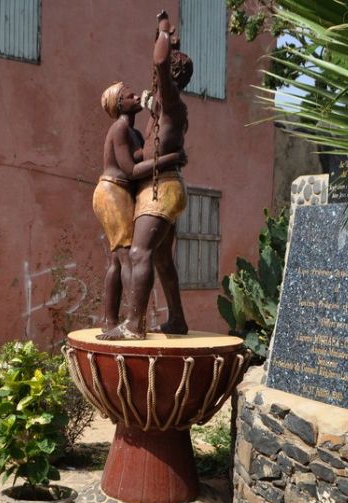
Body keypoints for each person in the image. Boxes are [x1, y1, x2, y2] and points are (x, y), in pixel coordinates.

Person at [99, 11, 193, 340]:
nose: (149, 85)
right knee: (163, 260)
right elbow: (138, 158)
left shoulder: (170, 102)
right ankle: (177, 319)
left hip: (162, 188)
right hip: (163, 184)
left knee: (138, 254)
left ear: (170, 78)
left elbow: (161, 65)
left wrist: (163, 34)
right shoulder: (162, 113)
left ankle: (132, 325)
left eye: (158, 79)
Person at [94, 81, 186, 332]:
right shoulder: (120, 128)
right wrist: (173, 158)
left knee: (118, 258)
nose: (135, 95)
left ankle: (110, 321)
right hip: (113, 190)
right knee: (126, 257)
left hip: (124, 192)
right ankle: (128, 322)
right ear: (118, 105)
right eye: (128, 95)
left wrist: (153, 110)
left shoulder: (134, 133)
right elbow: (132, 170)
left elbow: (144, 155)